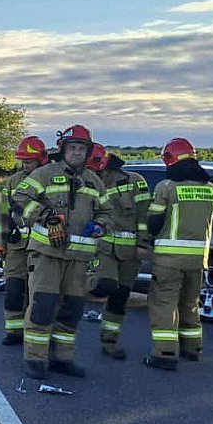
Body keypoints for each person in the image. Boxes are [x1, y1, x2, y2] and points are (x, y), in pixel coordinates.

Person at [12, 124, 113, 379]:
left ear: (87, 152)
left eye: (81, 148)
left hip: (78, 260)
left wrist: (101, 225)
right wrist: (47, 217)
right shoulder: (45, 173)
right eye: (73, 148)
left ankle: (62, 359)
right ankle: (35, 359)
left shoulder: (94, 182)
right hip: (47, 255)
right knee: (42, 307)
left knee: (71, 310)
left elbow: (108, 213)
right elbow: (20, 199)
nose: (77, 153)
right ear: (63, 149)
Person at [139, 138, 213, 370]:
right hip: (198, 260)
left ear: (170, 159)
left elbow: (153, 222)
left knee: (164, 304)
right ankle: (192, 348)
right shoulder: (211, 189)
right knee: (190, 304)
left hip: (168, 260)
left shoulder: (167, 187)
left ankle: (165, 354)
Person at [86, 144, 152, 360]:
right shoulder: (87, 182)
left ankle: (109, 343)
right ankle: (74, 287)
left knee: (119, 297)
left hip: (130, 251)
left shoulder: (134, 181)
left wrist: (143, 243)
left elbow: (145, 215)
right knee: (104, 285)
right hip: (102, 249)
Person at [0, 136, 50, 345]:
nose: (26, 165)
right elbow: (1, 211)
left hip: (43, 248)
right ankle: (14, 331)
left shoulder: (50, 179)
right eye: (24, 161)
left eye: (30, 161)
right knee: (13, 290)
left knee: (36, 294)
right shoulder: (13, 181)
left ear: (41, 160)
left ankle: (34, 334)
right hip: (16, 246)